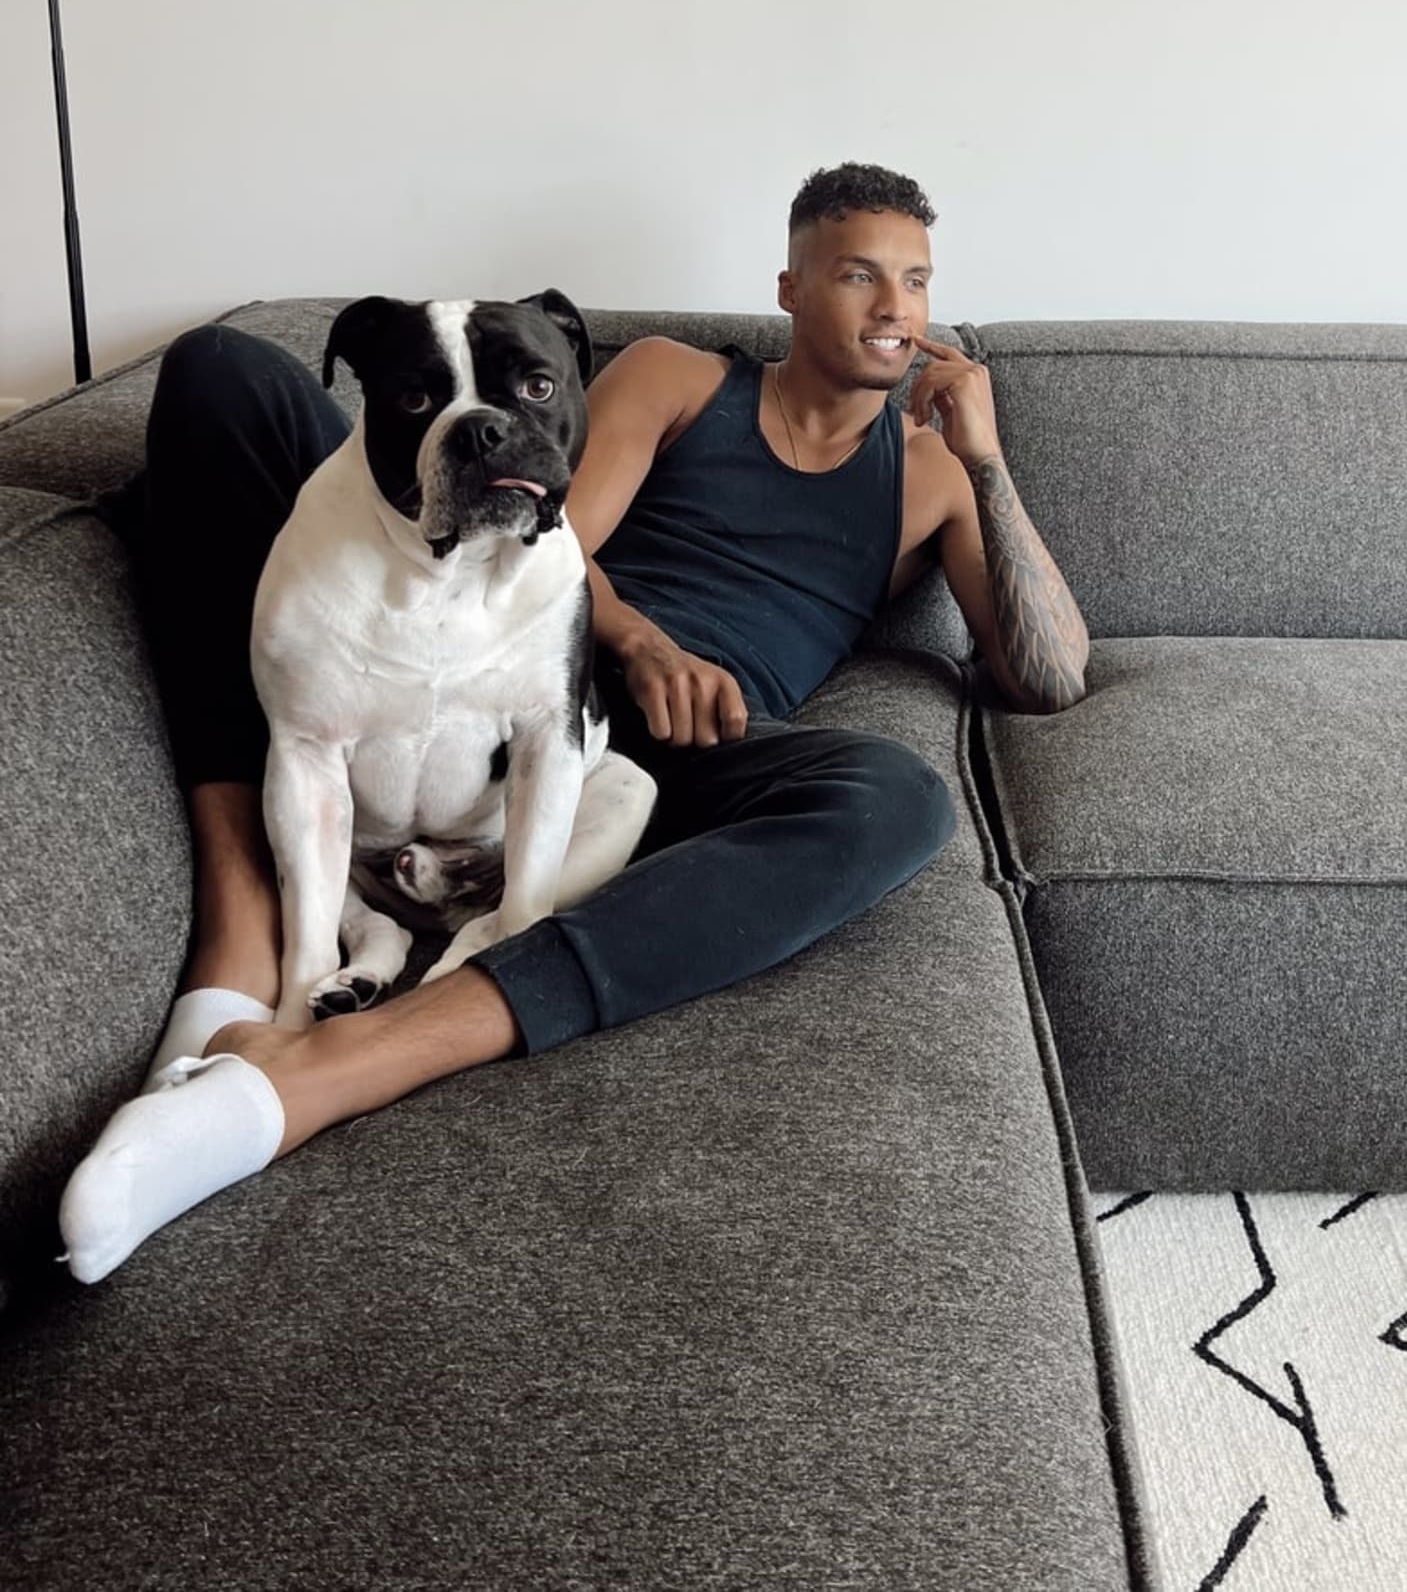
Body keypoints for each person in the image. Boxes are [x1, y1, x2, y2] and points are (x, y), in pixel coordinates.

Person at [59, 162, 1089, 1283]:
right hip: (531, 658)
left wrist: (988, 463)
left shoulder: (932, 475)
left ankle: (360, 1052)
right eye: (859, 274)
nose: (895, 307)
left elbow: (1049, 677)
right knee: (223, 376)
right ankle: (247, 938)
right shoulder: (679, 378)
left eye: (916, 282)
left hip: (683, 757)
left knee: (900, 800)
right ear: (790, 287)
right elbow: (544, 543)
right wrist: (643, 641)